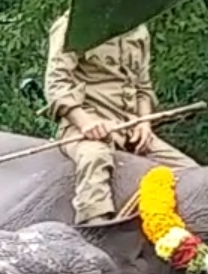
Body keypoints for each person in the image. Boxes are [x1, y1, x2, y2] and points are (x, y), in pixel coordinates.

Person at [42, 13, 195, 226]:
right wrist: (86, 122)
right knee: (95, 158)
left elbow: (143, 87)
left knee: (192, 173)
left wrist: (144, 123)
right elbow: (56, 85)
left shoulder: (137, 29)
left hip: (131, 131)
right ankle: (94, 228)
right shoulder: (73, 26)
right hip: (84, 130)